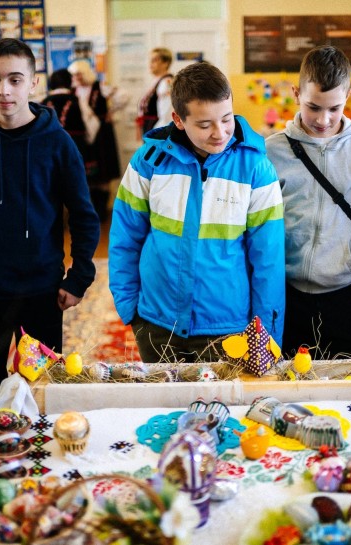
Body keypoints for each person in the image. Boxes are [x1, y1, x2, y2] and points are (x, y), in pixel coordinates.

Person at [0, 39, 100, 408]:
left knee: (40, 391)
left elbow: (83, 214)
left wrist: (79, 276)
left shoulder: (58, 142)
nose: (3, 90)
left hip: (40, 289)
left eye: (15, 79)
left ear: (33, 83)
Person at [109, 61, 285, 363]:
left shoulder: (256, 168)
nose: (220, 133)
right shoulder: (148, 162)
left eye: (227, 119)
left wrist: (265, 333)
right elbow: (125, 237)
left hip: (229, 329)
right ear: (178, 120)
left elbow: (268, 258)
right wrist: (129, 308)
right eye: (205, 125)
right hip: (156, 323)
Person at [265, 45, 351, 360]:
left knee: (345, 383)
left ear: (348, 96)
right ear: (297, 93)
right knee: (285, 382)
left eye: (334, 108)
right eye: (313, 107)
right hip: (285, 296)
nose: (323, 119)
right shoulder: (270, 152)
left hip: (348, 299)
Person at [69, 60, 127, 222]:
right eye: (74, 75)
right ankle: (89, 212)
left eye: (79, 74)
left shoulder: (100, 86)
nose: (77, 78)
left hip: (102, 134)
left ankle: (101, 212)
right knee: (87, 173)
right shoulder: (72, 91)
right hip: (83, 136)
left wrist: (111, 111)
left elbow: (123, 97)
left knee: (103, 171)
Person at [42, 68, 96, 179]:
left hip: (49, 147)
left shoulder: (43, 102)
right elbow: (92, 124)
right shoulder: (77, 100)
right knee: (75, 180)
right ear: (69, 82)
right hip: (75, 145)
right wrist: (88, 140)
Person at [136, 47, 173, 138]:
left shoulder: (166, 82)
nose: (150, 64)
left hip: (156, 126)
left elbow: (166, 112)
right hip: (148, 124)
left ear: (165, 63)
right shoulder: (156, 81)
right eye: (150, 60)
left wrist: (158, 133)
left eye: (155, 60)